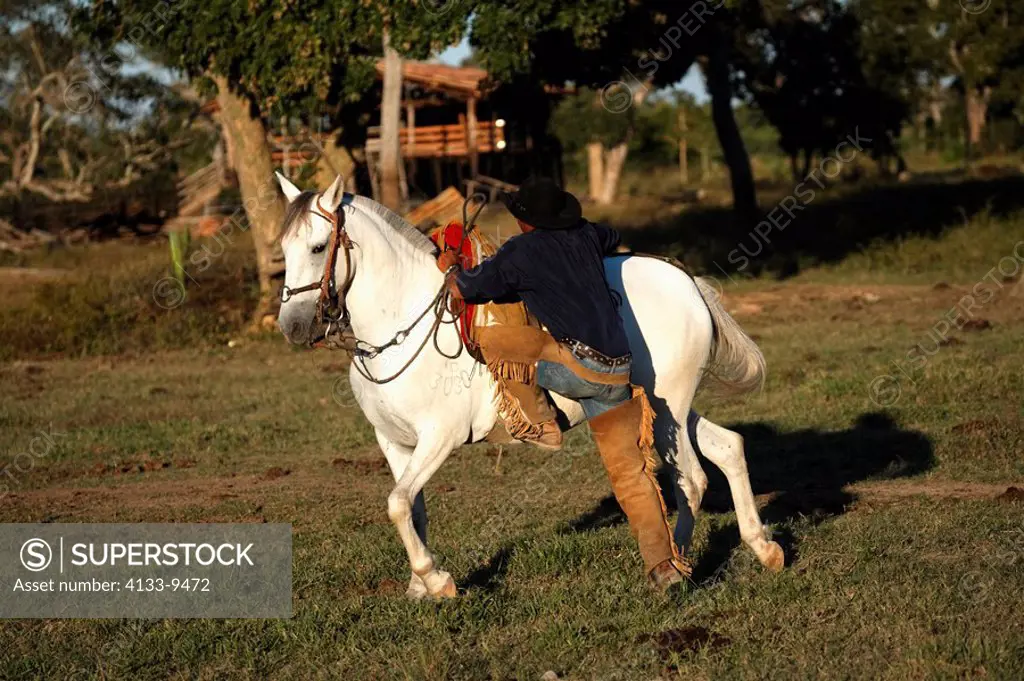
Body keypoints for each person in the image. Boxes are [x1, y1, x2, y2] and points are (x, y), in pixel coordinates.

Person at [436, 177, 688, 590]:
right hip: (619, 373)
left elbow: (470, 288)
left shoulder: (521, 252)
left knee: (492, 338)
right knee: (630, 475)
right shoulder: (588, 235)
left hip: (577, 371)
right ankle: (662, 566)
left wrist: (450, 268)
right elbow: (612, 234)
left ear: (525, 223)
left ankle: (541, 423)